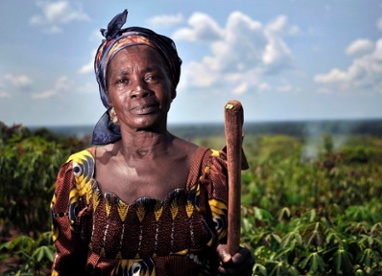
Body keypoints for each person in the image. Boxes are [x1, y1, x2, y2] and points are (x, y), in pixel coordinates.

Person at [50, 9, 254, 276]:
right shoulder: (79, 173)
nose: (139, 90)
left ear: (173, 86)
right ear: (108, 95)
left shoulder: (209, 171)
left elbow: (224, 248)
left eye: (152, 77)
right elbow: (66, 264)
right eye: (123, 80)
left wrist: (235, 262)